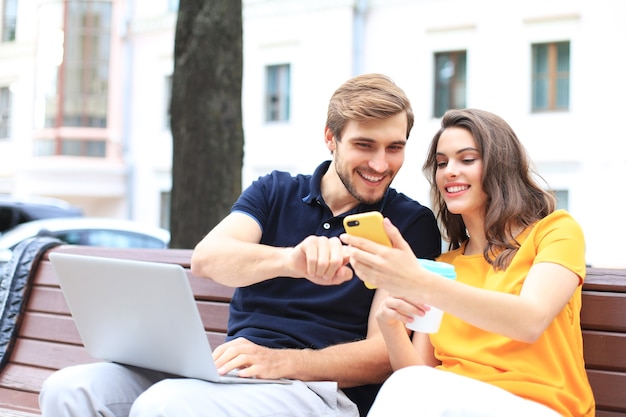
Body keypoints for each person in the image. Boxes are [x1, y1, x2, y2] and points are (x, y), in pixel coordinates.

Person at [38, 73, 442, 417]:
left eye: (395, 148)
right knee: (71, 390)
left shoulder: (409, 225)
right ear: (330, 138)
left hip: (318, 391)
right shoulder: (275, 191)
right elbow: (209, 258)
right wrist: (291, 260)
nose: (380, 164)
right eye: (365, 145)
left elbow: (381, 356)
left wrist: (281, 362)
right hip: (232, 371)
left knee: (166, 405)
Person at [341, 108, 595, 416]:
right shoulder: (444, 266)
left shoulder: (555, 231)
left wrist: (420, 283)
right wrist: (390, 325)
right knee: (407, 382)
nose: (449, 171)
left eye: (467, 159)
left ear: (500, 166)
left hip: (541, 406)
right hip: (457, 404)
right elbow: (420, 373)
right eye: (442, 162)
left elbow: (530, 321)